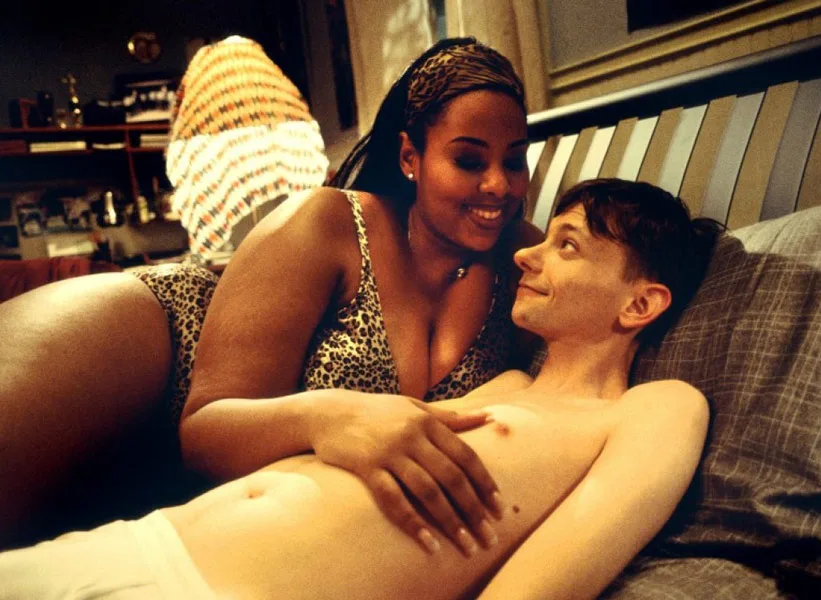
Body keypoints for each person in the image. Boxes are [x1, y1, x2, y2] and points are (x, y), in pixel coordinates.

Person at [0, 178, 724, 599]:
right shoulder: (505, 379)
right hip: (141, 542)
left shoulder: (657, 408)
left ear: (640, 304)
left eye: (567, 245)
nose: (527, 255)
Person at [0, 37, 542, 550]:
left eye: (514, 160)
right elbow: (204, 432)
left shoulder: (524, 260)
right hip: (156, 344)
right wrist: (327, 416)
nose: (499, 185)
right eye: (469, 161)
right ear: (409, 158)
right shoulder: (328, 220)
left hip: (220, 502)